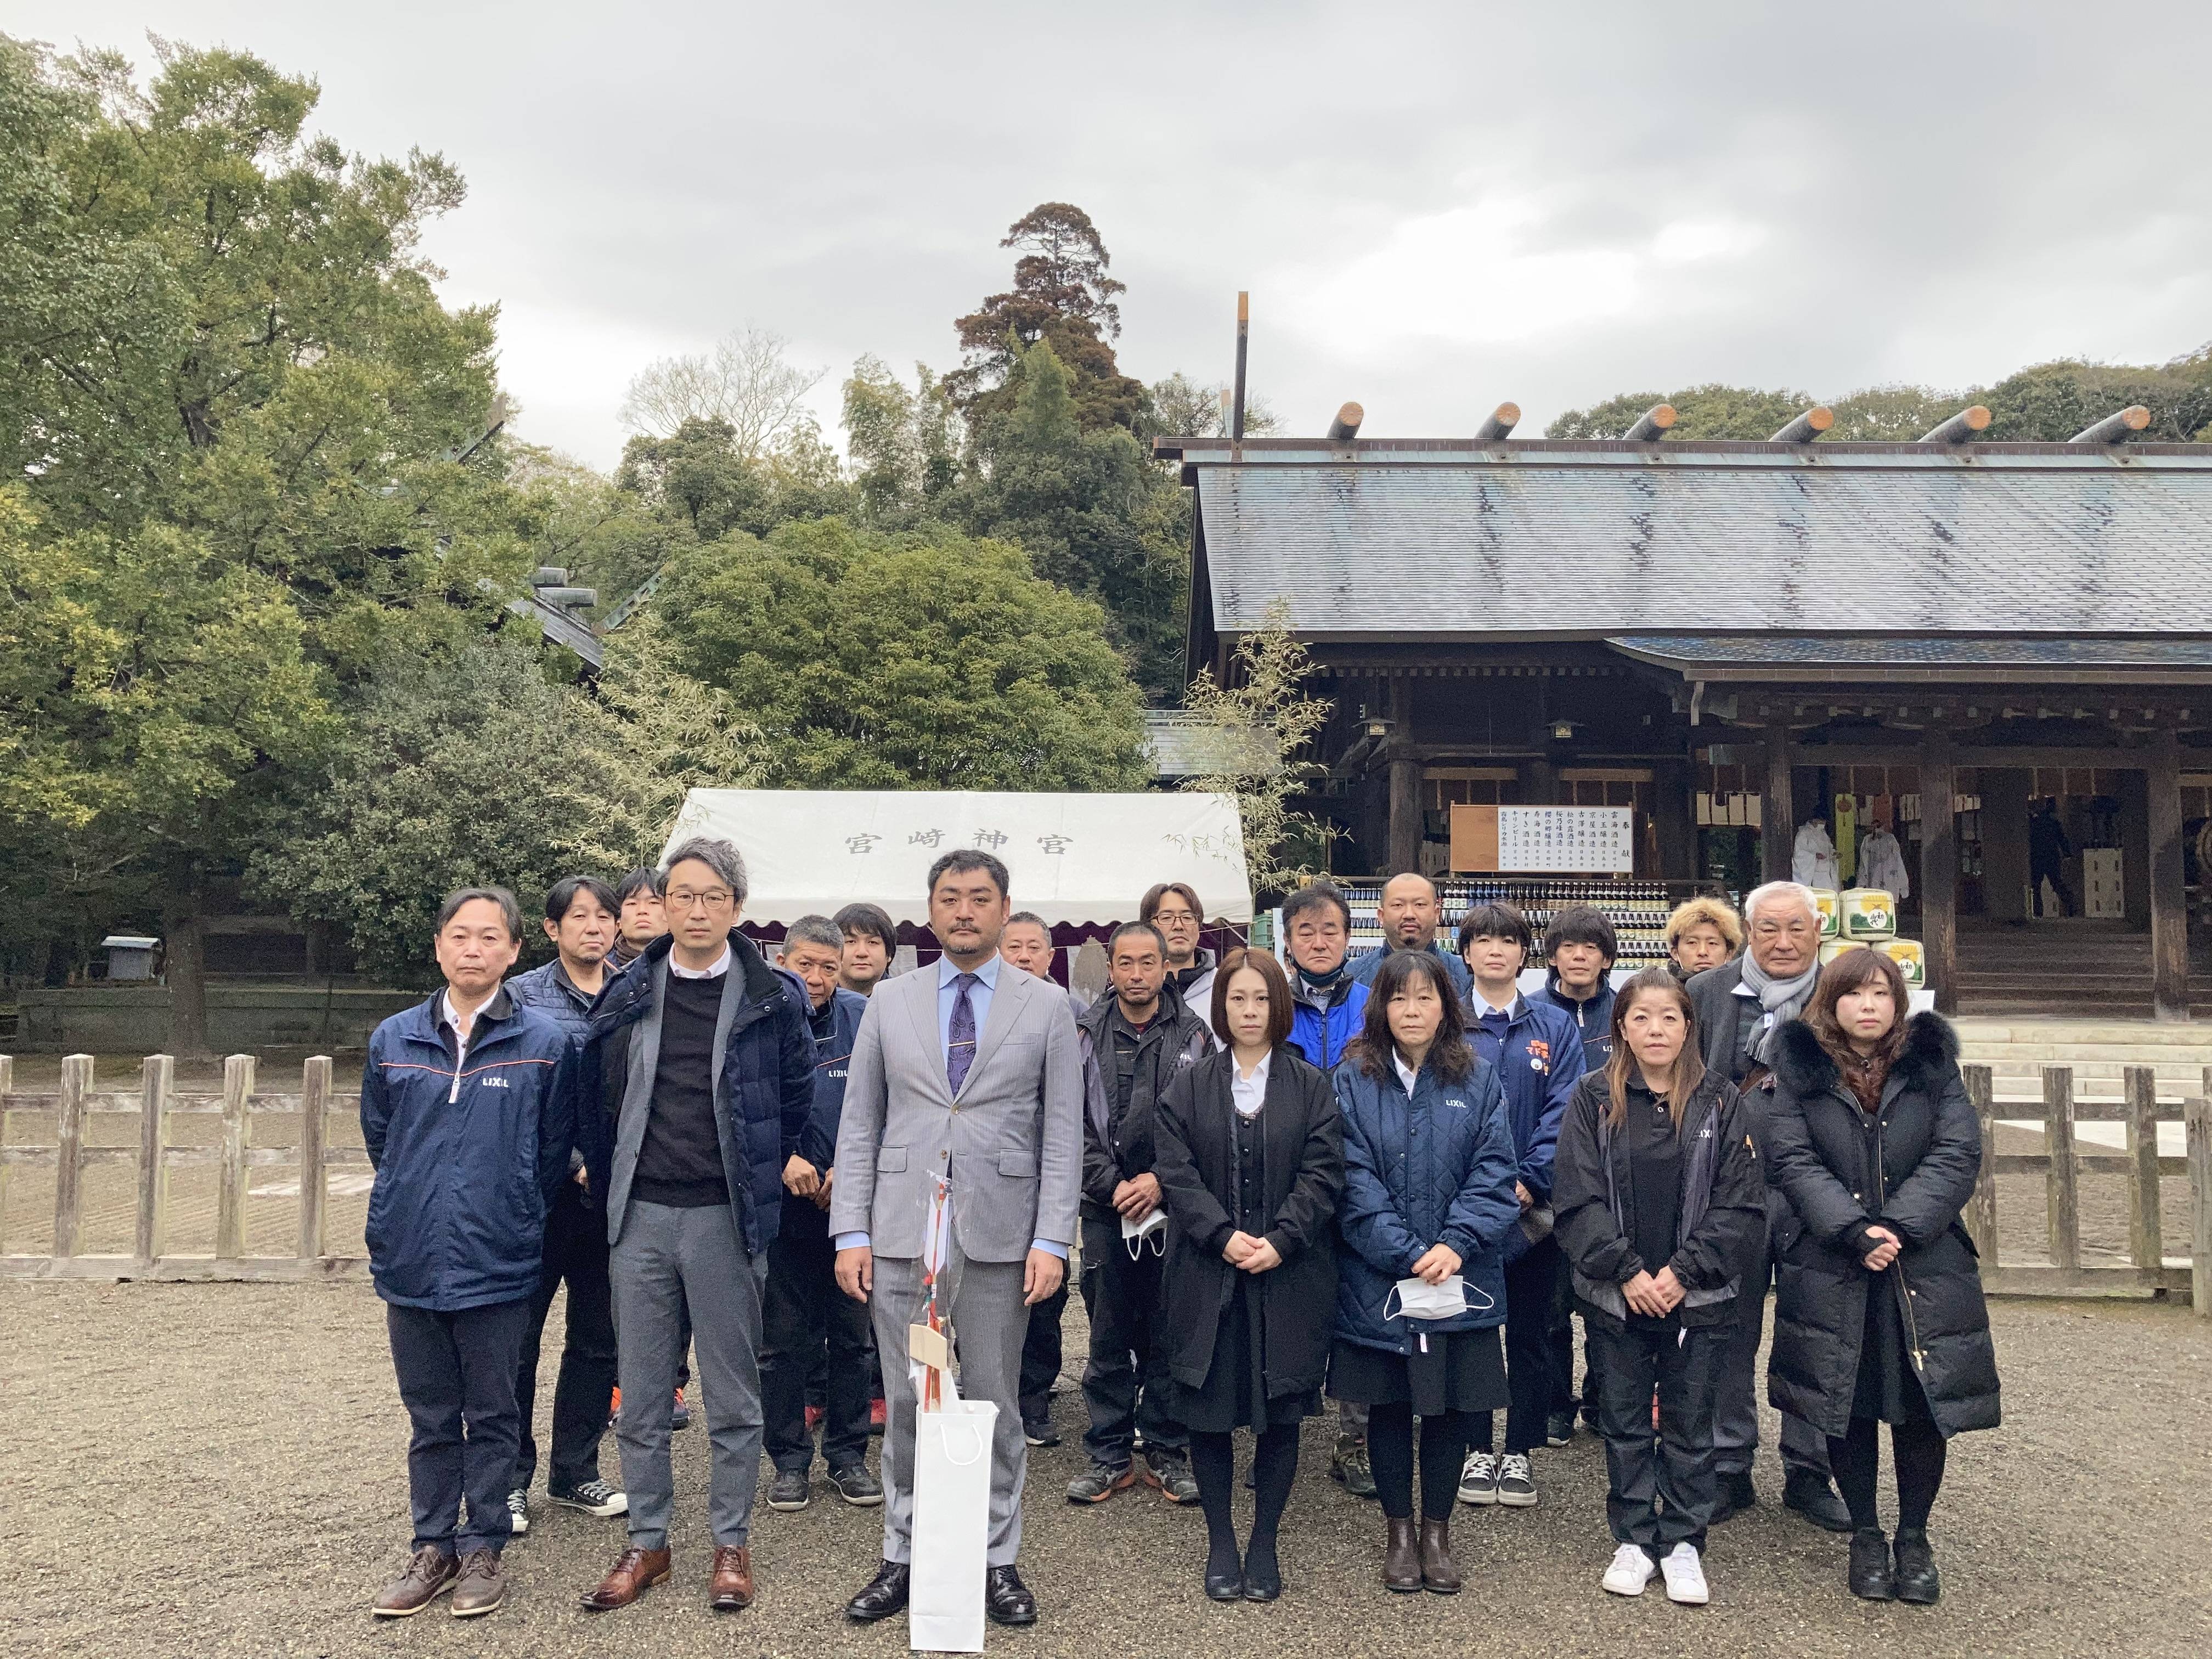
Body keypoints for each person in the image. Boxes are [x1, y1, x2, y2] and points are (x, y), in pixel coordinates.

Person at [832, 850, 1083, 1629]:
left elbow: (1062, 1134)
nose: (965, 911)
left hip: (1002, 1239)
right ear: (930, 910)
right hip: (906, 1235)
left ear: (1005, 909)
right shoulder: (890, 1001)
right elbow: (862, 1122)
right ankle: (903, 1552)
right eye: (950, 899)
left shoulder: (1046, 1007)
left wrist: (1053, 1238)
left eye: (980, 899)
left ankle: (996, 1559)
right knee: (911, 1399)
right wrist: (852, 1230)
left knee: (994, 1402)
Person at [576, 838, 816, 1616]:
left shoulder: (770, 997)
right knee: (642, 1394)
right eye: (683, 895)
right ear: (660, 906)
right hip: (639, 1215)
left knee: (733, 1392)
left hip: (725, 1217)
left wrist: (770, 1166)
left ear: (737, 908)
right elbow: (593, 1088)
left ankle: (729, 1541)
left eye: (713, 896)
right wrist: (591, 1164)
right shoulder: (628, 992)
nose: (697, 909)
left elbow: (800, 1095)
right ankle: (648, 1541)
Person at [362, 888, 579, 1620]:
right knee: (430, 1417)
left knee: (492, 1413)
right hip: (412, 1258)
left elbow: (551, 1155)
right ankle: (433, 1546)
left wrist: (513, 1207)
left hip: (499, 1258)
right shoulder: (395, 1039)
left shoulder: (545, 1044)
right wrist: (405, 1210)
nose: (474, 949)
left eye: (491, 938)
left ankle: (484, 1546)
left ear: (515, 951)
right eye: (461, 936)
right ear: (439, 946)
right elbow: (382, 1140)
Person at [1765, 949, 2000, 1605]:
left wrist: (1898, 1226)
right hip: (1834, 1261)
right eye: (1855, 994)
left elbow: (1958, 1150)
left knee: (1922, 1407)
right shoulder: (1800, 1069)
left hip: (1923, 1263)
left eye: (1881, 993)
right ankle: (1866, 1533)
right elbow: (1791, 1156)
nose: (1868, 1006)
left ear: (1899, 1001)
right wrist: (1853, 1229)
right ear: (1831, 1001)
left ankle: (1915, 1535)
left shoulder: (1931, 1067)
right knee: (1849, 1404)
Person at [1553, 970, 1764, 1607]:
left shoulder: (1722, 1100)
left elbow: (1742, 1205)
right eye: (1641, 1017)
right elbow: (1576, 1195)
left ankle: (1683, 1540)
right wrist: (1626, 1270)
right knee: (1622, 1420)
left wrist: (1680, 1273)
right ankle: (1634, 1537)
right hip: (1617, 1294)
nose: (1656, 1030)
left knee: (1690, 1421)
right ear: (1621, 1026)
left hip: (1695, 1297)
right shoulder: (1593, 1098)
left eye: (1669, 1018)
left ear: (1688, 1027)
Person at [1153, 949, 1342, 1602]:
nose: (1251, 1011)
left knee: (1280, 1412)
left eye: (1262, 999)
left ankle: (1264, 1542)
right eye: (1239, 999)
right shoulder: (1192, 1085)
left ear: (1279, 1006)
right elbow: (1174, 1172)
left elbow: (1325, 1174)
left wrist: (1282, 1239)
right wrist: (1222, 1235)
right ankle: (1221, 1542)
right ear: (1222, 1007)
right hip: (1208, 1274)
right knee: (1209, 1413)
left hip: (1289, 1276)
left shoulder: (1311, 1085)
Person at [1331, 950, 1520, 1595]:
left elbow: (1497, 1171)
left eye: (1426, 998)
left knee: (1446, 1409)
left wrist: (1455, 1243)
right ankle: (1399, 1533)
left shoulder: (1480, 1077)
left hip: (1457, 1273)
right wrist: (1406, 1250)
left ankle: (1437, 1533)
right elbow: (1349, 1179)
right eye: (1399, 999)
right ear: (1380, 1008)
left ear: (1448, 1005)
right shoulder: (1352, 1079)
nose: (1412, 1011)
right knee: (1387, 1405)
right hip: (1381, 1276)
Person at [1685, 881, 1851, 1531]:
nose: (1782, 943)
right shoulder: (1706, 993)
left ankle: (1810, 1468)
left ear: (1818, 932)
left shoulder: (1844, 993)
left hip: (1819, 1190)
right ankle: (1729, 1462)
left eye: (1796, 929)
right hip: (1732, 1189)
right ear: (1748, 933)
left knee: (1817, 1327)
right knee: (1728, 1328)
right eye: (1768, 930)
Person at [1068, 922, 1211, 1506]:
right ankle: (1107, 1453)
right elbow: (1065, 1123)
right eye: (1125, 963)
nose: (1135, 974)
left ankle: (1165, 1449)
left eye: (1146, 963)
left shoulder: (1196, 1036)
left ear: (1163, 967)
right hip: (1104, 1208)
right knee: (1106, 1333)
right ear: (1111, 969)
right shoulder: (1082, 1033)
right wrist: (1113, 1184)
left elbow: (1206, 1124)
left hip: (1171, 1208)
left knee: (1168, 1331)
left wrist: (1160, 1182)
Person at [505, 877, 627, 1537]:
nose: (595, 928)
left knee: (597, 1338)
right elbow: (521, 1098)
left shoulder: (633, 990)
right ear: (552, 929)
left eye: (605, 917)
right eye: (579, 917)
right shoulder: (522, 998)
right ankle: (507, 1480)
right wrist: (573, 1160)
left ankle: (575, 1469)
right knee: (517, 1340)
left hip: (611, 1199)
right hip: (541, 1195)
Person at [1453, 904, 1584, 1511]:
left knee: (1535, 1332)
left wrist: (1529, 1180)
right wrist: (1480, 1190)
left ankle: (1521, 1451)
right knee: (1475, 1330)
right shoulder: (1449, 1023)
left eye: (1509, 940)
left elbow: (1567, 1110)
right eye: (1485, 940)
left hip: (1536, 1213)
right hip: (1465, 1211)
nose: (1497, 951)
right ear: (1467, 951)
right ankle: (1476, 1448)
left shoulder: (1553, 1026)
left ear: (1525, 954)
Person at [759, 916, 882, 1513]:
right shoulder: (760, 1016)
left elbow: (888, 1102)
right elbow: (738, 1104)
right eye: (804, 965)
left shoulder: (864, 1017)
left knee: (854, 1339)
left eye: (828, 967)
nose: (815, 978)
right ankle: (787, 1461)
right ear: (781, 962)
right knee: (784, 1340)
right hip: (783, 1206)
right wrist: (783, 1159)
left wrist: (852, 1173)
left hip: (852, 1206)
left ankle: (849, 1455)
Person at [1278, 879, 1375, 1497]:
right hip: (1287, 1178)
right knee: (1288, 1307)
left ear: (1348, 937)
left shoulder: (1374, 1001)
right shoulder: (1269, 1001)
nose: (1318, 941)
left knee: (1360, 1308)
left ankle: (1356, 1442)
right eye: (1305, 931)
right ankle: (1277, 1437)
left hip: (1362, 1171)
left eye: (1330, 931)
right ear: (1287, 942)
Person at [1528, 903, 1618, 1446]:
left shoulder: (1627, 1010)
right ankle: (1554, 1403)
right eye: (1568, 946)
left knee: (1608, 1300)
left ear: (1607, 957)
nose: (1579, 955)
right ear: (1553, 954)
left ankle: (1605, 1400)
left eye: (1590, 947)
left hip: (1614, 1179)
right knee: (1550, 1305)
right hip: (1552, 1180)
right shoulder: (1535, 1012)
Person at [1000, 910, 1071, 1447]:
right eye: (1014, 947)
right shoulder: (975, 1011)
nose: (1023, 956)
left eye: (1034, 948)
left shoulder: (1071, 1013)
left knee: (1044, 1294)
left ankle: (1035, 1398)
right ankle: (990, 1392)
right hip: (992, 1177)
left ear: (1051, 957)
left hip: (1050, 1174)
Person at [1348, 872, 1474, 997]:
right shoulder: (1354, 977)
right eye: (1398, 905)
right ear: (1381, 916)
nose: (1409, 914)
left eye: (1420, 905)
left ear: (1437, 914)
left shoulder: (1465, 977)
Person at [1141, 880, 1218, 1012]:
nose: (1178, 926)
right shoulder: (1129, 993)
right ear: (1147, 929)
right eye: (1166, 918)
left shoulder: (1226, 988)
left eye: (1187, 917)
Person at [1665, 895, 1743, 984]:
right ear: (1675, 952)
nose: (1703, 952)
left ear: (1729, 953)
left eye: (1712, 943)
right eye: (1692, 943)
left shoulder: (1742, 993)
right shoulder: (1661, 993)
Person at [610, 868, 667, 972]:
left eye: (653, 903)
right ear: (619, 921)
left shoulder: (689, 968)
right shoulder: (600, 972)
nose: (642, 911)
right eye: (632, 903)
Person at [836, 901, 899, 996]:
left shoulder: (907, 1000)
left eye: (872, 942)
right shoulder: (813, 1001)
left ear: (889, 953)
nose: (862, 953)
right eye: (851, 942)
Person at [2028, 798, 2075, 918]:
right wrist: (2067, 854)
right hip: (2052, 857)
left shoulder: (2033, 823)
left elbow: (2029, 840)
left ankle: (2038, 913)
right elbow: (2062, 839)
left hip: (2036, 857)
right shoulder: (2053, 822)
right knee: (2056, 883)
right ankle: (2070, 903)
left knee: (2036, 887)